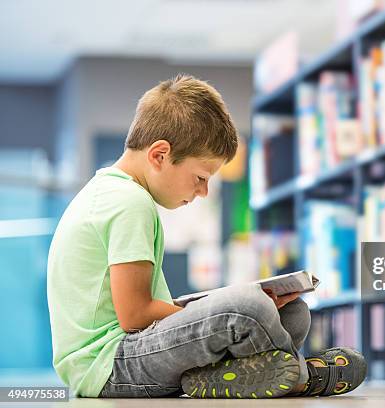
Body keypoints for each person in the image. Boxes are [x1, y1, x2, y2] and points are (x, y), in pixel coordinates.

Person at [47, 74, 366, 399]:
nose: (203, 191)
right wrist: (229, 309)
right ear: (159, 155)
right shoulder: (129, 202)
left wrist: (218, 306)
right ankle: (299, 377)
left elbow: (135, 311)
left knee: (291, 311)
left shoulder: (113, 193)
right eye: (200, 177)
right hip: (112, 366)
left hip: (120, 356)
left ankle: (245, 374)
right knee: (248, 307)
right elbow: (135, 315)